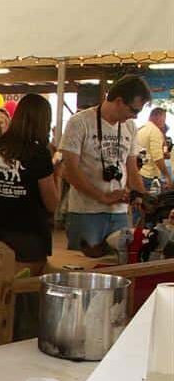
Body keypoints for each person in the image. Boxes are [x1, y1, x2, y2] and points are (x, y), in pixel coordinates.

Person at [60, 74, 150, 257]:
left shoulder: (130, 127)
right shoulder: (79, 122)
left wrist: (141, 196)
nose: (135, 116)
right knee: (82, 268)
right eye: (134, 110)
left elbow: (131, 168)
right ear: (119, 101)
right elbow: (70, 171)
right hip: (85, 212)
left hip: (119, 214)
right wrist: (103, 197)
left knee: (119, 266)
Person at [0, 93, 60, 275]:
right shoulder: (39, 153)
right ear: (44, 121)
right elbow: (52, 203)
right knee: (24, 295)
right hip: (29, 233)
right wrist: (58, 173)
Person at [137, 107, 172, 191]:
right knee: (157, 201)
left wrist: (163, 135)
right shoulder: (155, 131)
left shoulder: (141, 129)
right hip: (150, 176)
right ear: (156, 117)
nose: (164, 123)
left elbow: (164, 153)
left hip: (140, 172)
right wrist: (168, 177)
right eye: (163, 119)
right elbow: (158, 158)